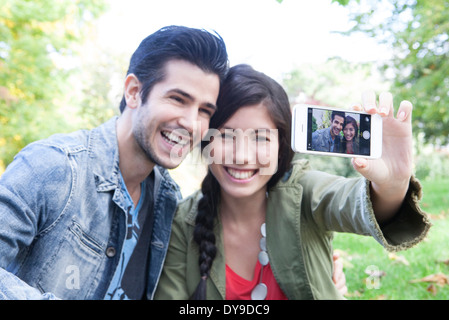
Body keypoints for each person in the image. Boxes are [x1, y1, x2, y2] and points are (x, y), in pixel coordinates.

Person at [154, 64, 430, 300]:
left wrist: (392, 186)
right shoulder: (183, 221)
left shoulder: (303, 191)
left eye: (261, 137)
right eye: (226, 135)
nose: (241, 155)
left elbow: (352, 203)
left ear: (280, 146)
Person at [0, 25, 229, 300]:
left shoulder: (168, 201)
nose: (192, 124)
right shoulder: (54, 167)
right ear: (133, 92)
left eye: (204, 111)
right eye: (178, 99)